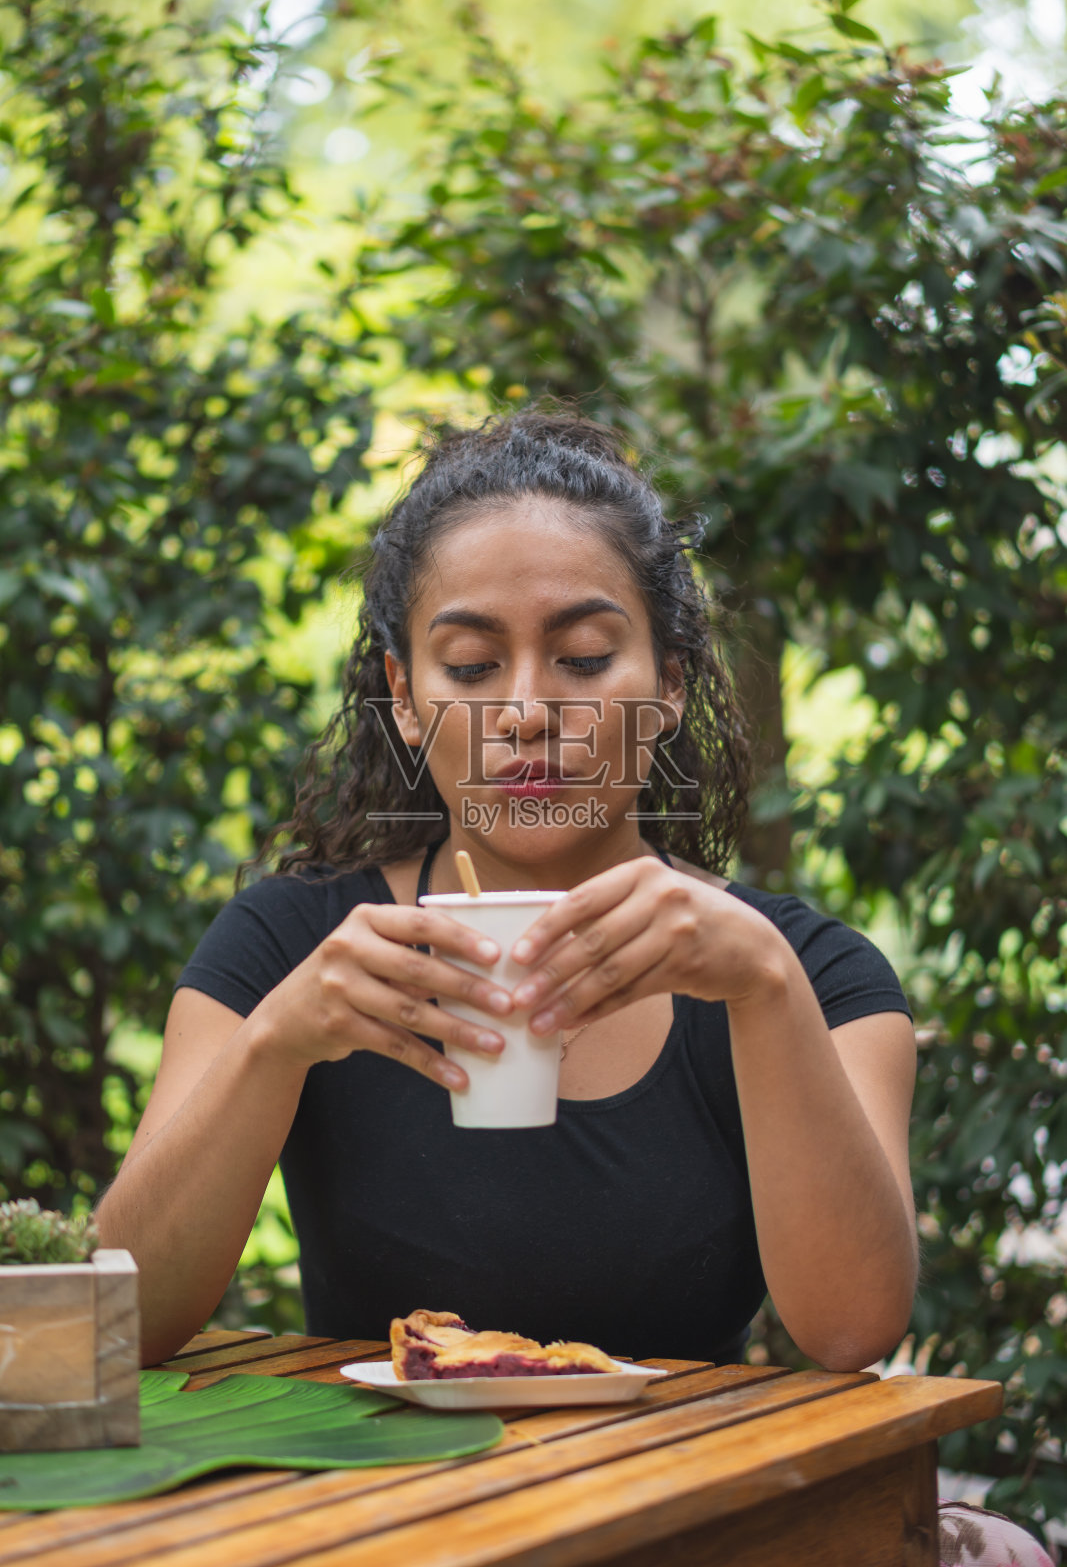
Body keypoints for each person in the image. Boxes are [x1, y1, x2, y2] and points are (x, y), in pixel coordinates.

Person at [97, 410, 918, 1372]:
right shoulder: (292, 946)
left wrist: (765, 990)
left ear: (670, 687)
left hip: (689, 1506)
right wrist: (277, 1043)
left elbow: (854, 1330)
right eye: (473, 667)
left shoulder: (809, 975)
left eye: (582, 658)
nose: (526, 713)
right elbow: (121, 1324)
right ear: (404, 699)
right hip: (379, 1506)